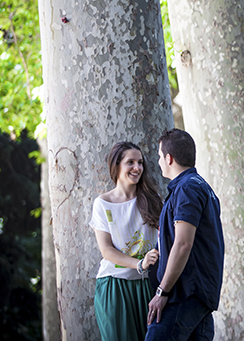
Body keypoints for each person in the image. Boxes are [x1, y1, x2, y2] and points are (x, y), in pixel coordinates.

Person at [146, 128, 225, 341]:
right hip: (196, 296)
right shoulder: (200, 186)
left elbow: (183, 243)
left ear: (169, 158)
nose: (159, 161)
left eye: (160, 156)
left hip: (183, 295)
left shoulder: (187, 188)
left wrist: (162, 292)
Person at [90, 141, 162, 341]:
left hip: (148, 286)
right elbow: (106, 250)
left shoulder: (154, 199)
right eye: (130, 162)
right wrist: (139, 264)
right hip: (114, 287)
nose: (137, 168)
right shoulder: (103, 204)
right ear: (116, 165)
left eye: (140, 162)